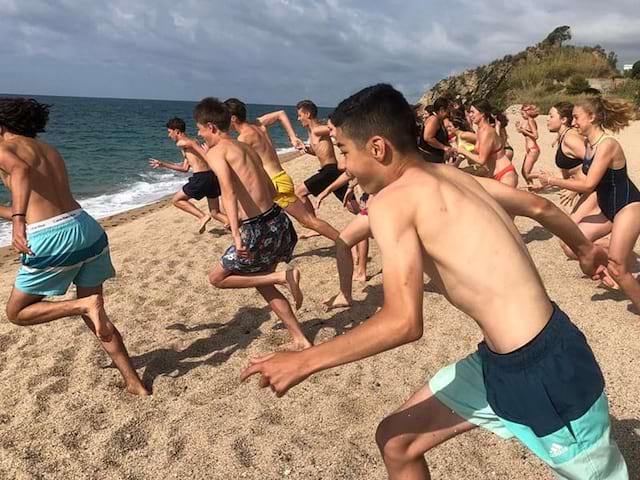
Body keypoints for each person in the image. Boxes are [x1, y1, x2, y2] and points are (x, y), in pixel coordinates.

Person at [241, 84, 627, 479]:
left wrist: (305, 360)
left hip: (544, 370)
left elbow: (403, 322)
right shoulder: (451, 175)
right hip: (502, 360)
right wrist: (583, 248)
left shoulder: (392, 202)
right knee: (397, 441)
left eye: (344, 151)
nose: (343, 166)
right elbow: (538, 206)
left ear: (377, 148)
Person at [0, 98, 149, 396]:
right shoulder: (49, 150)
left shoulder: (5, 148)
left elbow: (20, 172)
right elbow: (46, 205)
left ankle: (82, 305)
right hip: (86, 228)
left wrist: (16, 221)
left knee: (17, 313)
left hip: (52, 239)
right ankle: (134, 383)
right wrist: (11, 213)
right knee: (97, 316)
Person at [194, 97, 311, 351]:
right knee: (262, 282)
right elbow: (269, 188)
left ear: (212, 127)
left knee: (217, 278)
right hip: (277, 220)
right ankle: (299, 337)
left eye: (201, 129)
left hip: (256, 229)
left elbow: (228, 192)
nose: (200, 134)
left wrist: (237, 235)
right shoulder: (244, 147)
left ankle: (283, 276)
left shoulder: (216, 152)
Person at [533, 97, 640, 313]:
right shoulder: (590, 146)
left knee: (618, 268)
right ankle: (611, 261)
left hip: (628, 207)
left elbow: (589, 184)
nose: (573, 122)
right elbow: (582, 179)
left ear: (592, 117)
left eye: (576, 117)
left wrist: (552, 181)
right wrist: (548, 184)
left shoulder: (607, 145)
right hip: (608, 208)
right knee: (574, 243)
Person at [223, 98, 341, 242]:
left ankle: (345, 242)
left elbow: (246, 171)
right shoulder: (258, 124)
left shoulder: (243, 139)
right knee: (262, 216)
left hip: (276, 184)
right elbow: (281, 114)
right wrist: (292, 137)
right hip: (277, 180)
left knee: (307, 220)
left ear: (233, 118)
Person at [546, 102, 611, 259]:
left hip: (592, 190)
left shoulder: (571, 139)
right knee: (569, 239)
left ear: (563, 120)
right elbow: (570, 169)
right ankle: (614, 253)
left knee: (572, 239)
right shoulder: (563, 137)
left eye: (551, 116)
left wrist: (574, 189)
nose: (547, 119)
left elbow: (593, 163)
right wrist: (544, 181)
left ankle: (616, 249)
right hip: (585, 190)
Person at [149, 117, 228, 233]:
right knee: (215, 212)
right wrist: (163, 164)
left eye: (169, 132)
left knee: (176, 200)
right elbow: (184, 168)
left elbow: (204, 154)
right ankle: (240, 229)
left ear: (177, 131)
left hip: (201, 178)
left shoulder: (184, 142)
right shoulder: (189, 143)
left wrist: (209, 153)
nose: (169, 135)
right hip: (211, 177)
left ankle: (202, 216)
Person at [293, 100, 357, 214]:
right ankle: (369, 218)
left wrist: (344, 151)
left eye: (299, 115)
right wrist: (304, 148)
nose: (298, 119)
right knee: (350, 204)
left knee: (299, 192)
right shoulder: (312, 132)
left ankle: (314, 224)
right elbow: (318, 152)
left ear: (307, 114)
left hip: (330, 170)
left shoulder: (317, 130)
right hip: (329, 171)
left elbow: (337, 129)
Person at [456, 100, 518, 187]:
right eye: (469, 112)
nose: (470, 115)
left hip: (504, 175)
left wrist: (463, 151)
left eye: (472, 112)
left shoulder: (487, 132)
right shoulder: (480, 130)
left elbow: (481, 160)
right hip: (491, 175)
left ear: (482, 114)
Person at [418, 97, 451, 163]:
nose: (449, 113)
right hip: (429, 159)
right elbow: (428, 137)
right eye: (448, 110)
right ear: (442, 110)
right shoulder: (434, 119)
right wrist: (444, 147)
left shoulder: (439, 120)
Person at [516, 104, 541, 184]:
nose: (522, 116)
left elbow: (536, 136)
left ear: (528, 113)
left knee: (526, 173)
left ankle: (544, 175)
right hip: (531, 150)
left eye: (523, 114)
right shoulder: (529, 121)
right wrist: (520, 129)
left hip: (533, 149)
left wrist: (523, 130)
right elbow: (527, 133)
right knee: (524, 172)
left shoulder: (530, 121)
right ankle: (531, 188)